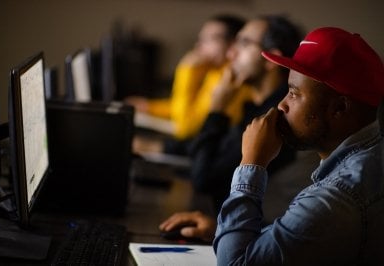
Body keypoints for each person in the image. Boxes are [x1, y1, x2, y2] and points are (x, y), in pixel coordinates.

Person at [214, 27, 384, 265]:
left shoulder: (338, 197)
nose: (282, 105)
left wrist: (252, 163)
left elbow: (234, 264)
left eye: (294, 94)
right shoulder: (371, 160)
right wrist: (236, 234)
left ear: (340, 109)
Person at [159, 14, 303, 237]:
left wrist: (217, 110)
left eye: (244, 44)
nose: (230, 53)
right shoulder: (255, 107)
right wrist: (160, 148)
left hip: (267, 241)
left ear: (271, 60)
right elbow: (218, 149)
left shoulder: (276, 117)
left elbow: (204, 179)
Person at [126, 14, 252, 146]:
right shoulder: (216, 72)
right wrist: (149, 107)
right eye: (200, 39)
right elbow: (191, 107)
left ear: (233, 44)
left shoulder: (230, 78)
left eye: (209, 39)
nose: (199, 46)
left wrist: (186, 70)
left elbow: (185, 128)